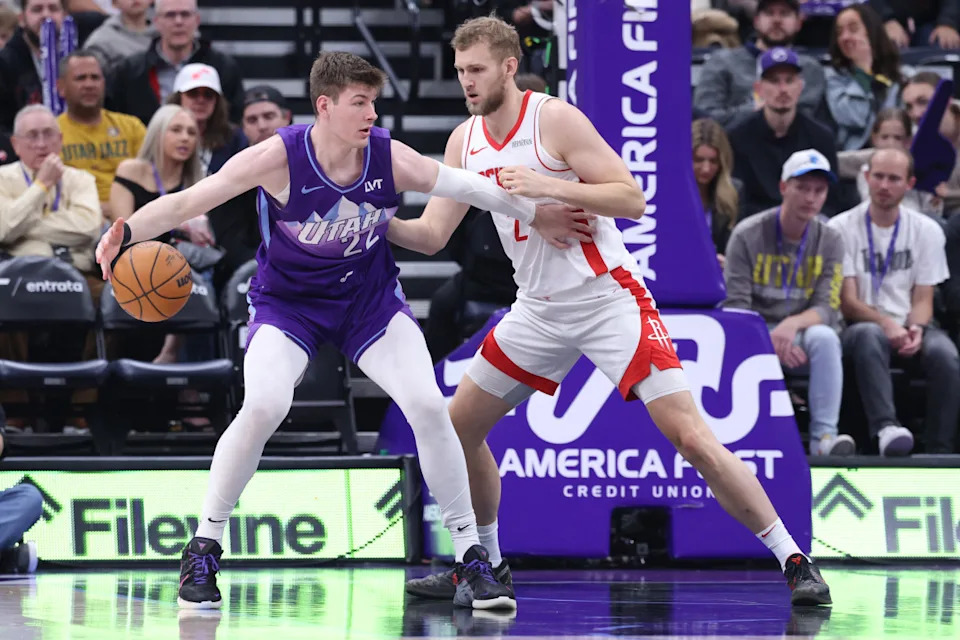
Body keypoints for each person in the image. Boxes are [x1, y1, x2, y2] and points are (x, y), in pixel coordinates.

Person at [95, 50, 586, 611]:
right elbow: (188, 200)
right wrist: (125, 231)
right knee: (263, 406)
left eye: (374, 101)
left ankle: (471, 556)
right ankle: (204, 544)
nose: (372, 113)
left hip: (367, 302)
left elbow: (468, 186)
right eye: (360, 102)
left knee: (428, 405)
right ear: (325, 106)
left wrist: (535, 210)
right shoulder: (277, 157)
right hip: (289, 306)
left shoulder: (388, 156)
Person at [394, 15, 832, 607]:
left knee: (691, 437)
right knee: (457, 429)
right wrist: (371, 219)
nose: (466, 82)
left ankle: (795, 560)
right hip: (538, 310)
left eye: (475, 70)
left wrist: (553, 190)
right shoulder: (462, 141)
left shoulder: (554, 118)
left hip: (607, 297)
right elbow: (431, 236)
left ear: (507, 65)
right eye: (459, 71)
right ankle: (487, 564)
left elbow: (631, 198)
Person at [830, 147, 960, 455]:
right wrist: (886, 323)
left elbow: (923, 297)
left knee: (946, 355)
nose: (884, 185)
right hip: (860, 325)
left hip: (909, 323)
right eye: (878, 177)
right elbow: (848, 302)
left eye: (893, 178)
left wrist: (916, 327)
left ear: (909, 183)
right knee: (869, 335)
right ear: (866, 178)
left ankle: (940, 451)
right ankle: (886, 430)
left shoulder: (926, 230)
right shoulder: (840, 228)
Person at [723, 150, 852, 456]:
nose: (811, 197)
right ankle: (753, 439)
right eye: (802, 188)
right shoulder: (747, 234)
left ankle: (824, 438)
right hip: (755, 329)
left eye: (819, 190)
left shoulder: (831, 238)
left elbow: (828, 305)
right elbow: (736, 306)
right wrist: (769, 338)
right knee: (738, 341)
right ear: (783, 187)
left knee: (826, 337)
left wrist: (791, 326)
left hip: (800, 330)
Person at [57, 50, 146, 222]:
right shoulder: (51, 132)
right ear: (61, 87)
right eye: (80, 78)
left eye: (95, 77)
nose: (89, 84)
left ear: (104, 83)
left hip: (131, 217)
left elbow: (153, 180)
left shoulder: (132, 127)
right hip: (76, 220)